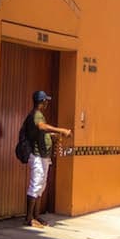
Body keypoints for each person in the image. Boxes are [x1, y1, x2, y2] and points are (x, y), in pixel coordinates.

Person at [25, 90, 71, 228]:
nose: (47, 103)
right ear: (42, 101)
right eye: (46, 101)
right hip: (37, 155)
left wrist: (51, 136)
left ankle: (36, 215)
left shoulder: (39, 115)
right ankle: (29, 218)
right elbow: (41, 127)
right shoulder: (36, 115)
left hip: (44, 156)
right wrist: (60, 130)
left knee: (41, 185)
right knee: (36, 184)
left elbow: (42, 131)